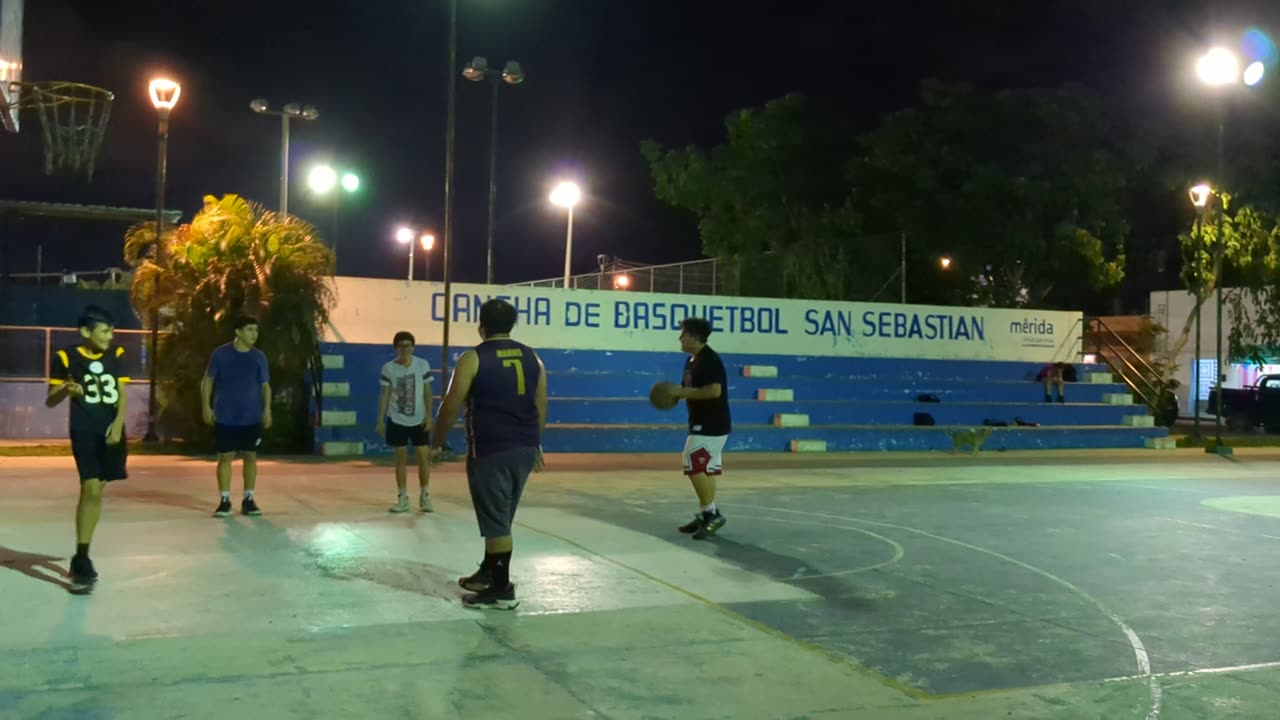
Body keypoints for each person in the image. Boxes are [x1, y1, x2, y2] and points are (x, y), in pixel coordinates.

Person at [430, 298, 546, 610]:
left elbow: (451, 405)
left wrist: (437, 441)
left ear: (481, 324)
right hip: (524, 447)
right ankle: (488, 569)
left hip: (491, 448)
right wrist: (536, 443)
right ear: (512, 324)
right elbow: (540, 404)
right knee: (502, 514)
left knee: (496, 521)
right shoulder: (532, 357)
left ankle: (500, 587)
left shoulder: (473, 358)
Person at [45, 305, 129, 593]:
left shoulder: (116, 354)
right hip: (83, 430)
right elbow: (50, 399)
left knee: (98, 489)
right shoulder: (65, 357)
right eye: (105, 331)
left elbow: (122, 392)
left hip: (110, 431)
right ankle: (82, 557)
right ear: (85, 331)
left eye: (111, 331)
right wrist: (66, 390)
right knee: (90, 487)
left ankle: (82, 554)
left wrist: (118, 424)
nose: (110, 336)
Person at [202, 315, 271, 517]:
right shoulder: (220, 354)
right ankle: (224, 500)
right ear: (238, 332)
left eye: (256, 331)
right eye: (249, 330)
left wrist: (267, 410)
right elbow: (207, 381)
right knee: (225, 457)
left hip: (251, 416)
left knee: (250, 456)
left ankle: (248, 499)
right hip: (225, 415)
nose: (254, 334)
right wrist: (206, 407)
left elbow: (265, 386)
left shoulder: (259, 357)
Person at [670, 317, 731, 540]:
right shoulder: (691, 361)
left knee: (693, 463)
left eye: (683, 333)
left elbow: (714, 391)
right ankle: (708, 514)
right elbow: (685, 389)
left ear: (695, 337)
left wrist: (683, 393)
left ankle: (712, 515)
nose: (680, 337)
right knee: (705, 469)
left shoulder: (710, 360)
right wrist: (670, 395)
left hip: (712, 423)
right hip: (700, 421)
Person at [375, 331, 434, 513]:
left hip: (419, 420)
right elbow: (384, 395)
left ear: (413, 347)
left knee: (423, 458)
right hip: (397, 420)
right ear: (396, 348)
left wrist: (429, 416)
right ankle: (402, 497)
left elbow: (427, 393)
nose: (405, 349)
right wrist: (381, 420)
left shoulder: (422, 365)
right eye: (401, 346)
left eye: (408, 346)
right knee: (400, 459)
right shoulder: (388, 369)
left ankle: (425, 496)